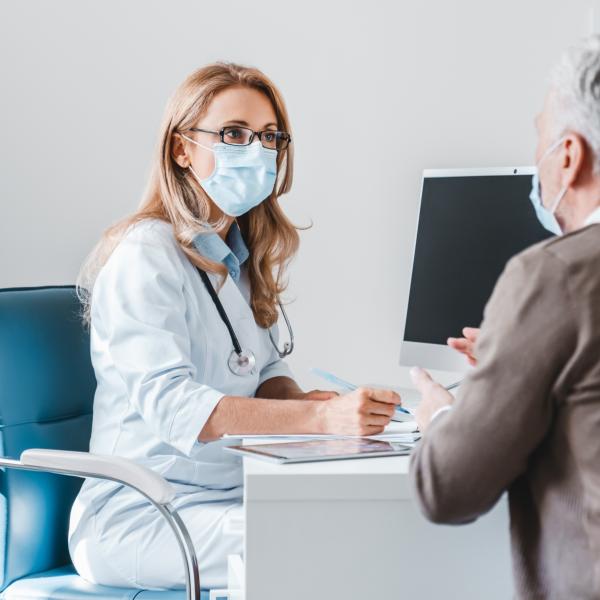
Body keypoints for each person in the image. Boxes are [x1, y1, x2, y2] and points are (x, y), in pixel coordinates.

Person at [68, 62, 401, 591]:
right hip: (144, 513)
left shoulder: (234, 258)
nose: (256, 150)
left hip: (231, 493)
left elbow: (264, 367)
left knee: (367, 518)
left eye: (269, 137)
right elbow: (178, 407)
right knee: (329, 541)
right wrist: (324, 422)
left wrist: (300, 402)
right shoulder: (144, 255)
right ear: (182, 149)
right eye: (234, 134)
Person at [409, 36, 600, 599]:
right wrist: (514, 354)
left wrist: (443, 416)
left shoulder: (554, 275)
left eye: (539, 141)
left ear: (569, 155)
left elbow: (448, 488)